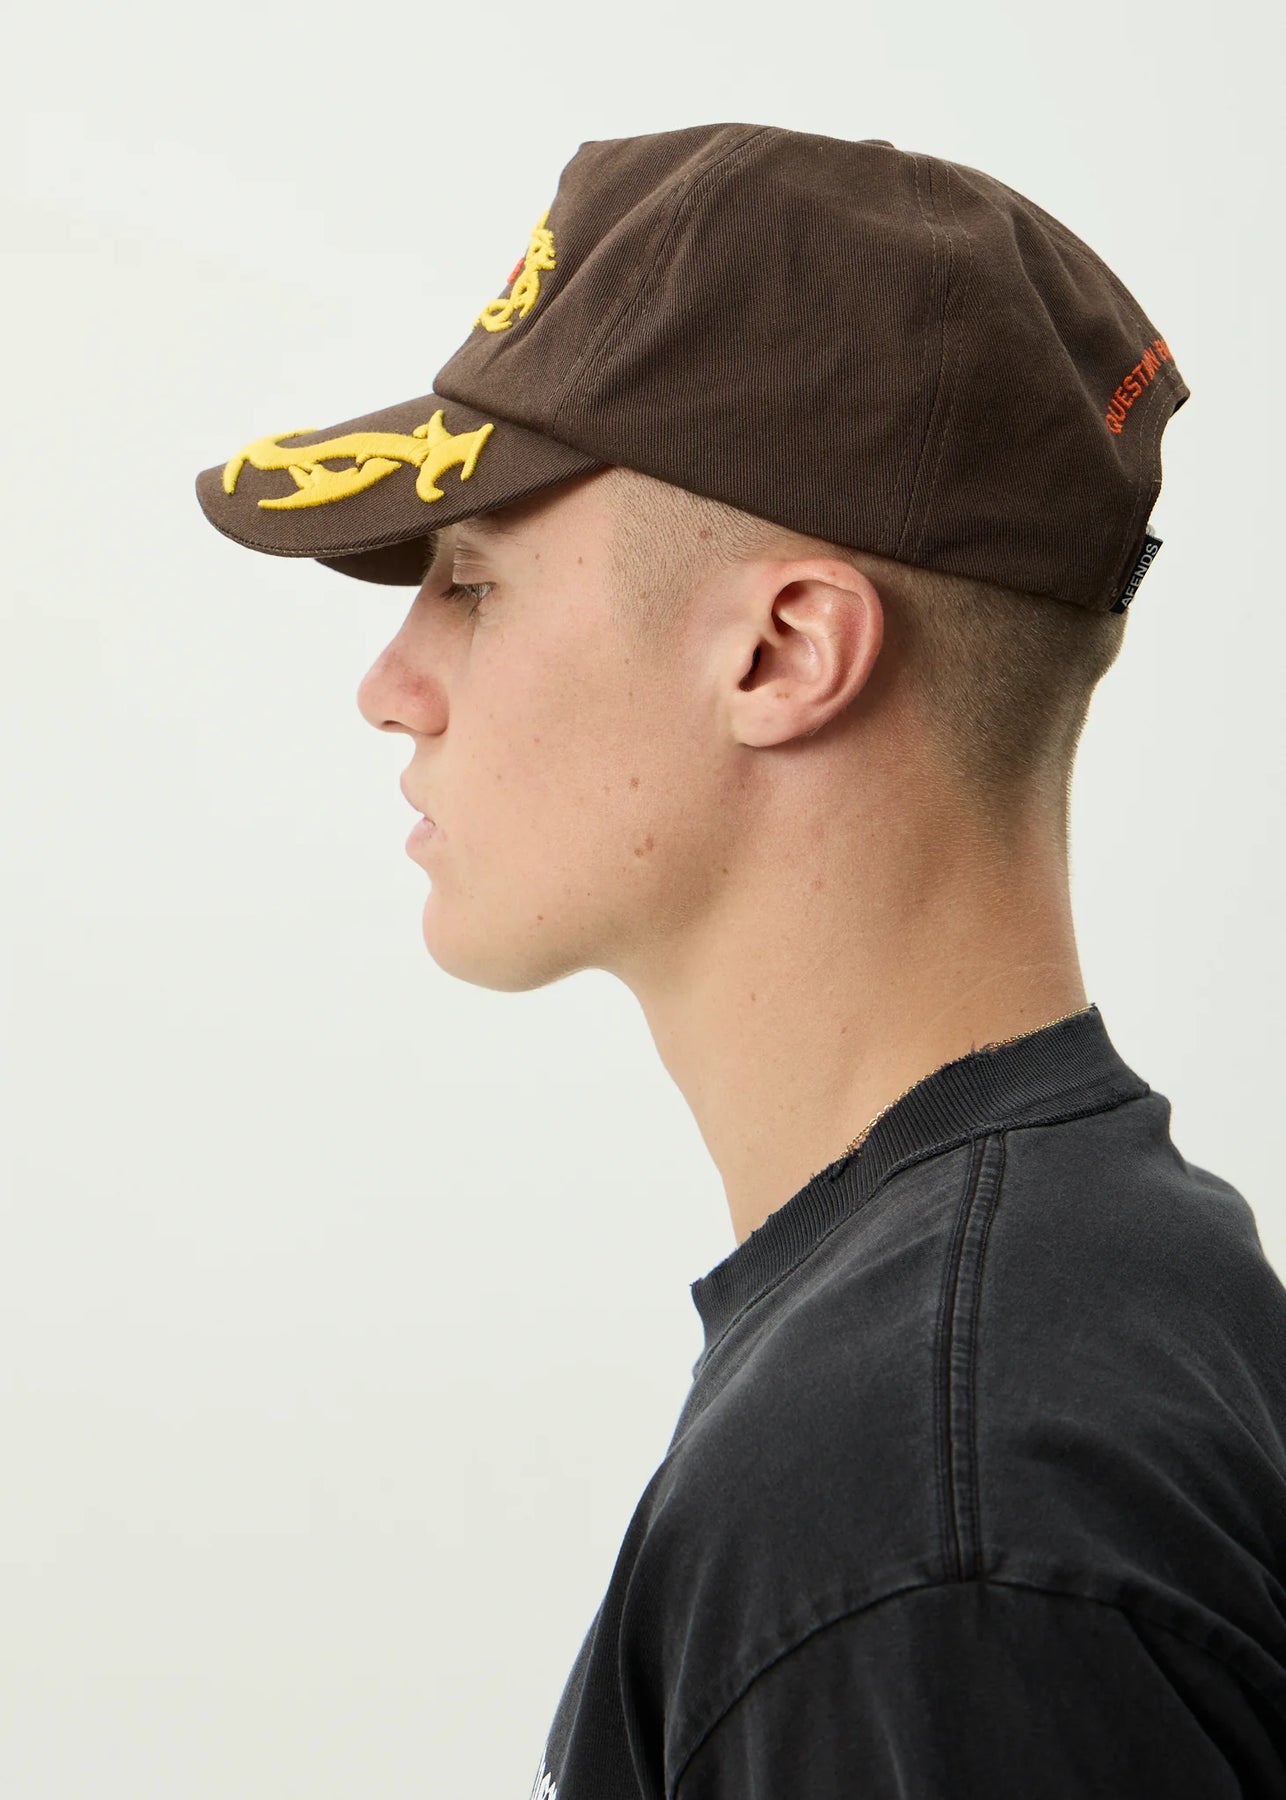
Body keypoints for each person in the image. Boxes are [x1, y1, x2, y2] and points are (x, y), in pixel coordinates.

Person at [195, 125, 1286, 1798]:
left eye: (471, 584)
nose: (390, 686)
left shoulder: (920, 1523)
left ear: (783, 653)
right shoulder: (1088, 1301)